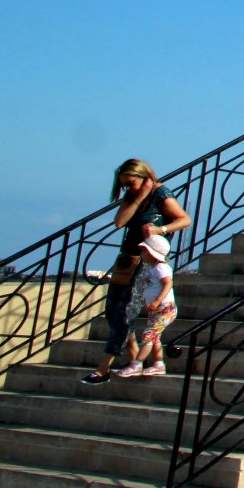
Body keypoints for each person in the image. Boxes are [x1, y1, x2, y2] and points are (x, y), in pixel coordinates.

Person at [82, 159, 190, 385]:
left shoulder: (162, 194)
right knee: (112, 312)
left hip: (148, 263)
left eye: (130, 183)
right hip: (127, 260)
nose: (127, 189)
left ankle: (103, 369)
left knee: (125, 312)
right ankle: (132, 358)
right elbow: (119, 222)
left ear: (144, 177)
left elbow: (184, 219)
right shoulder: (133, 196)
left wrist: (161, 229)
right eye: (124, 185)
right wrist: (138, 196)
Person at [114, 233, 176, 379]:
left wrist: (157, 300)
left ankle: (136, 364)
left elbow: (168, 284)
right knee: (155, 337)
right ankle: (159, 364)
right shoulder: (150, 268)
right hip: (158, 310)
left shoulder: (161, 268)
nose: (141, 254)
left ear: (153, 254)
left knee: (148, 336)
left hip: (165, 309)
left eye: (144, 251)